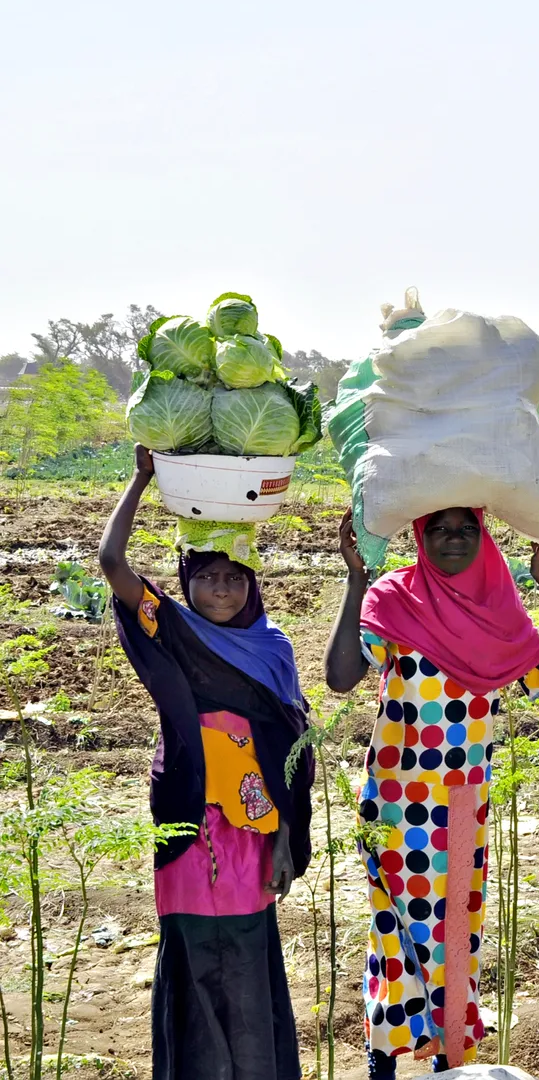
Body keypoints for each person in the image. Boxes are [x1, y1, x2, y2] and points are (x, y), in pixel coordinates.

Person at [325, 502, 539, 1075]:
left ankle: (449, 1066)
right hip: (393, 799)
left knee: (454, 934)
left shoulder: (499, 609)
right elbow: (339, 677)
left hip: (461, 801)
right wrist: (356, 578)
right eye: (439, 529)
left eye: (466, 529)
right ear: (420, 535)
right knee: (392, 928)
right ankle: (381, 1060)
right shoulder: (393, 597)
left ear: (482, 534)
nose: (453, 540)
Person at [100, 445, 313, 1080]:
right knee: (191, 948)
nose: (221, 588)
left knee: (248, 954)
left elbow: (293, 754)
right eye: (207, 576)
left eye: (235, 576)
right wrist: (141, 478)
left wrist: (282, 839)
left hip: (253, 828)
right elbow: (113, 562)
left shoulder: (272, 647)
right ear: (186, 581)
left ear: (253, 584)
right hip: (188, 817)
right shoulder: (174, 631)